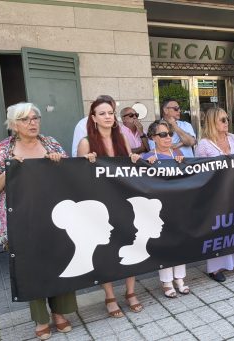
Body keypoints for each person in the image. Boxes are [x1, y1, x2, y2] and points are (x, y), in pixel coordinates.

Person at [0, 103, 76, 340]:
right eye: (25, 119)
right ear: (14, 125)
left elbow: (71, 175)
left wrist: (58, 162)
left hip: (53, 214)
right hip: (21, 217)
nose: (32, 123)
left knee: (59, 260)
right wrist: (10, 167)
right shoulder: (4, 149)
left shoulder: (51, 143)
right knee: (32, 266)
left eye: (35, 118)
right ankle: (40, 319)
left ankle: (60, 313)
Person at [77, 96, 143, 318]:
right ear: (93, 118)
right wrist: (85, 162)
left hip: (123, 201)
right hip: (99, 206)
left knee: (129, 244)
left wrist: (133, 157)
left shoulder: (121, 138)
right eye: (102, 113)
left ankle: (130, 292)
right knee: (105, 249)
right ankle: (109, 295)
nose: (107, 117)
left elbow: (129, 166)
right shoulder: (86, 142)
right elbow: (78, 177)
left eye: (110, 113)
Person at [195, 108, 234, 282]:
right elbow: (199, 170)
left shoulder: (233, 138)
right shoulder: (204, 144)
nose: (226, 122)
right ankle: (216, 267)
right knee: (219, 228)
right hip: (215, 193)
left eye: (227, 119)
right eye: (222, 120)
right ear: (212, 122)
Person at [140, 120, 189, 297]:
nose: (167, 137)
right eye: (162, 134)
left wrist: (182, 163)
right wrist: (147, 165)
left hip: (178, 205)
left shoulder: (178, 153)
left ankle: (180, 279)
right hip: (159, 207)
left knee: (180, 241)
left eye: (169, 134)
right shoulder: (147, 157)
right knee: (166, 243)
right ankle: (166, 281)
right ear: (153, 137)